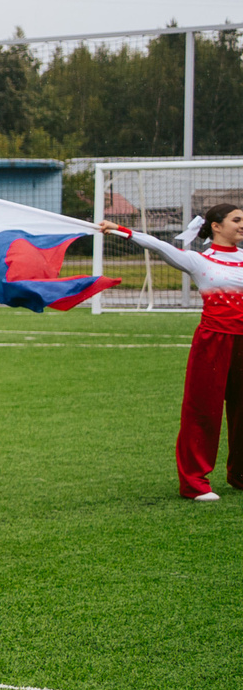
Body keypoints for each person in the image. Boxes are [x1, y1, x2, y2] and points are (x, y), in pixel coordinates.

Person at [108, 204, 243, 501]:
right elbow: (158, 246)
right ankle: (194, 482)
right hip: (214, 342)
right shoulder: (199, 261)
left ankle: (239, 474)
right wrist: (123, 231)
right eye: (236, 219)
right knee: (203, 411)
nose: (242, 224)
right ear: (217, 226)